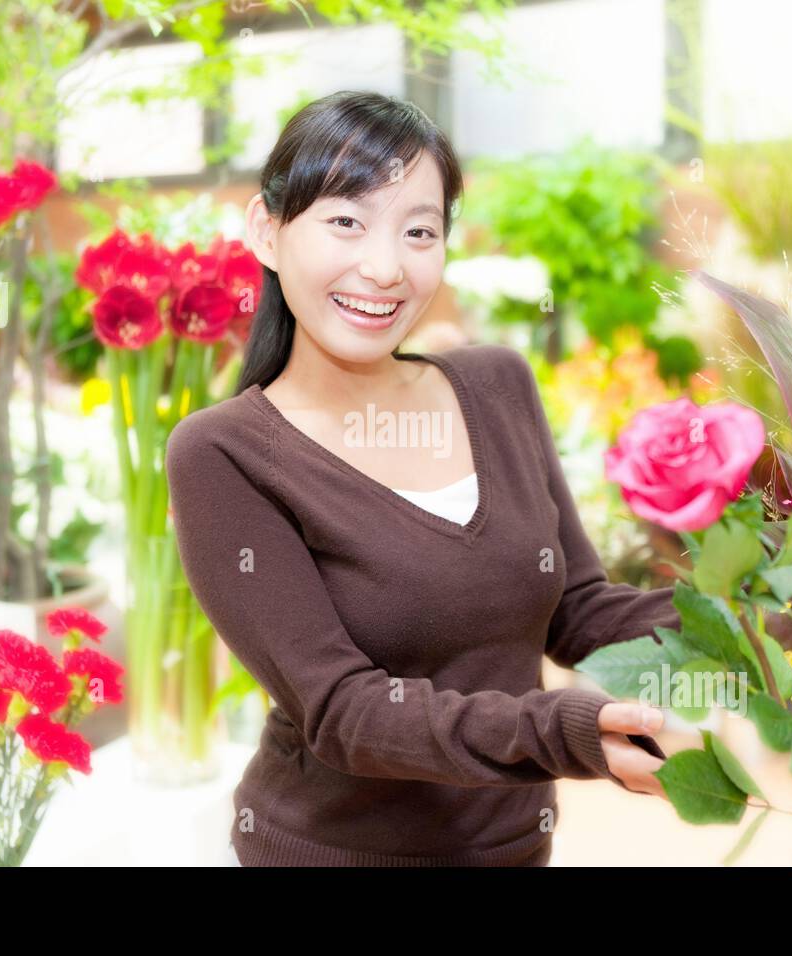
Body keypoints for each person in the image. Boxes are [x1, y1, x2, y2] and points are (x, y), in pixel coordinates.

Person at [166, 90, 682, 867]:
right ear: (267, 232)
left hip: (510, 847)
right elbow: (342, 711)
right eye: (346, 221)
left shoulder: (496, 385)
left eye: (419, 231)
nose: (384, 266)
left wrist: (781, 601)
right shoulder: (223, 454)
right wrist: (565, 731)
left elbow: (575, 610)